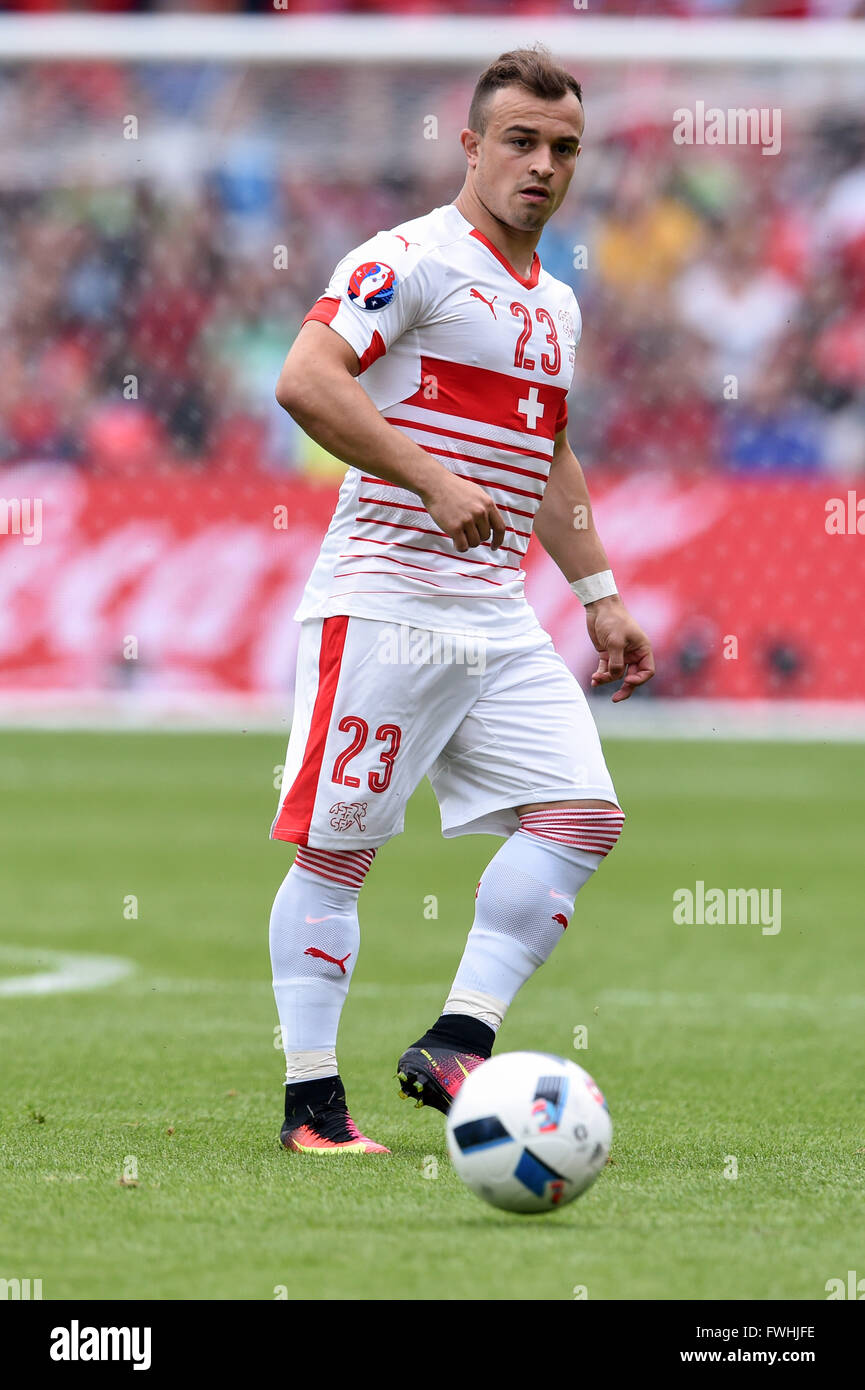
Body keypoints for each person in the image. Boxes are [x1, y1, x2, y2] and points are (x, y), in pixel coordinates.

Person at [269, 47, 655, 1153]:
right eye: (521, 142)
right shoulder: (407, 262)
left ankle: (456, 1041)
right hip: (386, 601)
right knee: (338, 855)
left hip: (493, 614)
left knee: (583, 813)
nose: (542, 165)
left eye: (564, 148)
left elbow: (552, 453)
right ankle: (312, 1106)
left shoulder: (558, 306)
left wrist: (598, 591)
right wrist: (432, 478)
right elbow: (307, 378)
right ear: (470, 144)